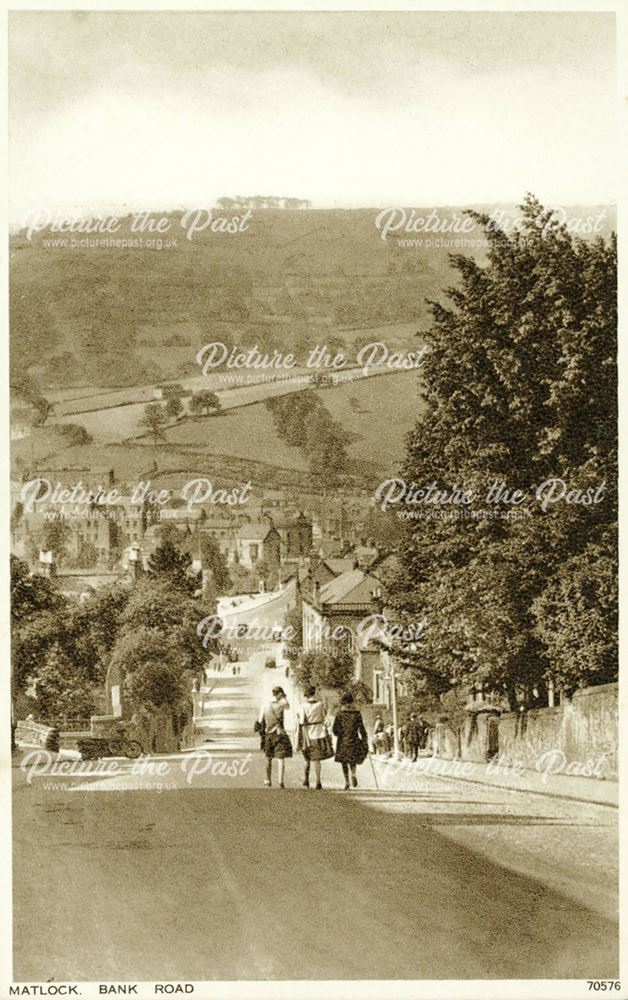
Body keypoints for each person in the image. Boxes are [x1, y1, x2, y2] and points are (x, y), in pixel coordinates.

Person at [298, 685, 333, 790]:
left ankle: (306, 779)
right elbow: (324, 718)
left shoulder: (303, 706)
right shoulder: (320, 704)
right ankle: (318, 781)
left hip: (308, 734)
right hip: (318, 733)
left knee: (307, 759)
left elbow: (301, 721)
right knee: (317, 760)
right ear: (314, 693)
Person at [332, 691, 368, 789]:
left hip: (343, 740)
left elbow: (334, 730)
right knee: (352, 760)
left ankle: (347, 781)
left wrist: (340, 734)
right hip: (354, 739)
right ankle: (353, 774)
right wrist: (365, 739)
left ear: (343, 702)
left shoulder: (339, 715)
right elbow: (362, 729)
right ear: (352, 702)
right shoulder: (357, 714)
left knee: (344, 762)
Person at [258, 686, 292, 788]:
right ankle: (280, 782)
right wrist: (284, 697)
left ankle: (268, 780)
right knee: (280, 758)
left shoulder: (265, 705)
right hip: (279, 733)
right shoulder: (281, 704)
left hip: (268, 734)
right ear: (280, 694)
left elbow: (260, 720)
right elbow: (288, 706)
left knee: (268, 758)